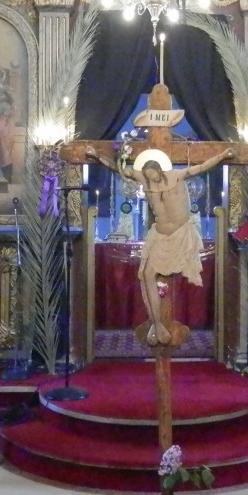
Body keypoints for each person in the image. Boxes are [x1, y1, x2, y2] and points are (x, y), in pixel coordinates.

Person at [87, 143, 233, 346]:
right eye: (148, 175)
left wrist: (223, 155)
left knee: (176, 278)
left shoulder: (177, 176)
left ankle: (166, 323)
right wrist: (97, 156)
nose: (152, 179)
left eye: (153, 174)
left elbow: (201, 167)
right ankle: (157, 324)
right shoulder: (143, 179)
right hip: (159, 236)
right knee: (147, 275)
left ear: (160, 169)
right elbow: (117, 169)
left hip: (180, 235)